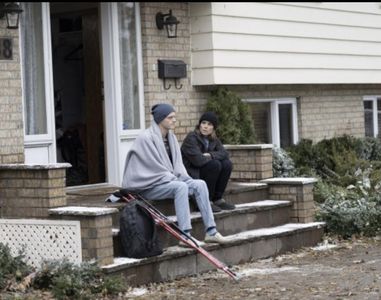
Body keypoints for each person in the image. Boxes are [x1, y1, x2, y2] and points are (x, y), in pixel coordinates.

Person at [121, 103, 228, 246]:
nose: (174, 120)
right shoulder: (145, 138)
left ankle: (211, 232)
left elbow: (177, 167)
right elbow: (152, 168)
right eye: (170, 117)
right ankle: (185, 236)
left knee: (200, 184)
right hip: (147, 185)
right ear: (160, 119)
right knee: (180, 187)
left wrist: (181, 178)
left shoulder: (171, 138)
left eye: (174, 117)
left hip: (168, 180)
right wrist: (175, 180)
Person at [181, 112, 236, 213]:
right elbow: (198, 161)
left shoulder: (213, 139)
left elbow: (225, 153)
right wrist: (212, 157)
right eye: (203, 123)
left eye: (209, 124)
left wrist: (210, 155)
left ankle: (217, 199)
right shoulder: (191, 138)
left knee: (227, 164)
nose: (205, 127)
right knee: (215, 164)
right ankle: (205, 201)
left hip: (204, 170)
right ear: (199, 124)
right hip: (192, 173)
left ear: (213, 128)